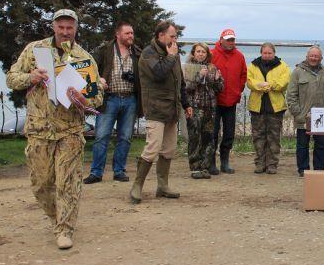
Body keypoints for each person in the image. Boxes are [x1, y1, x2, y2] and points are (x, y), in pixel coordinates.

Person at [6, 9, 103, 249]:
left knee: (67, 182)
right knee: (41, 183)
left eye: (70, 28)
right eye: (61, 27)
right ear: (53, 27)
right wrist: (31, 77)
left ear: (76, 28)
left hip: (70, 130)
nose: (65, 32)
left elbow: (97, 96)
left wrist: (84, 99)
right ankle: (55, 218)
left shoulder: (84, 58)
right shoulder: (34, 50)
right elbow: (12, 78)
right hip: (39, 129)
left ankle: (65, 228)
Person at [130, 21, 193, 203]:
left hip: (172, 109)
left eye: (176, 37)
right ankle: (137, 186)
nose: (175, 40)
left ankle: (162, 186)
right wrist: (172, 57)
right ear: (160, 36)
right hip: (155, 109)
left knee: (168, 150)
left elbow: (179, 81)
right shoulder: (148, 54)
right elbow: (159, 74)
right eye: (172, 36)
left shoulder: (172, 54)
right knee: (152, 148)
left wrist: (186, 103)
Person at [84, 22, 142, 184]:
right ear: (118, 34)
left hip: (130, 98)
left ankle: (119, 170)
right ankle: (96, 172)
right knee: (101, 136)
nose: (131, 36)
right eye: (127, 33)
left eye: (132, 33)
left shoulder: (137, 53)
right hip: (109, 99)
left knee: (125, 137)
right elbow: (89, 67)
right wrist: (98, 79)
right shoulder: (105, 50)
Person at [286, 45, 324, 177]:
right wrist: (297, 113)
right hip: (303, 118)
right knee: (302, 146)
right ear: (307, 57)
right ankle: (303, 170)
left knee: (321, 145)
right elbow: (291, 95)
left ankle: (319, 170)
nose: (314, 58)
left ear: (321, 58)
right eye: (311, 56)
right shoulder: (297, 72)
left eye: (316, 56)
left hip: (322, 118)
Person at [247, 42, 291, 174]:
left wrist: (268, 85)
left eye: (269, 53)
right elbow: (249, 82)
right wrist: (261, 86)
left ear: (274, 53)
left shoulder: (282, 66)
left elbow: (284, 82)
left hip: (275, 107)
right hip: (257, 107)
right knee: (258, 137)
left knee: (274, 137)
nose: (267, 55)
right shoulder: (253, 65)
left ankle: (272, 164)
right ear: (261, 53)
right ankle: (260, 164)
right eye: (264, 53)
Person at [183, 42, 224, 179]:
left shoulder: (212, 68)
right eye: (198, 51)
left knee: (209, 139)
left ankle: (205, 167)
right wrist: (200, 76)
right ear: (194, 53)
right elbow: (186, 88)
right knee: (195, 138)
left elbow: (220, 88)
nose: (201, 54)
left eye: (203, 52)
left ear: (207, 54)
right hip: (194, 109)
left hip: (210, 109)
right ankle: (195, 167)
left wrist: (217, 80)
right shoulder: (188, 68)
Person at [210, 28, 247, 175]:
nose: (231, 42)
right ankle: (211, 162)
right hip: (214, 102)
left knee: (229, 133)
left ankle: (224, 162)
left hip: (231, 101)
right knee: (213, 133)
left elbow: (243, 75)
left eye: (233, 39)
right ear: (221, 39)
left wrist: (238, 91)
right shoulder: (212, 54)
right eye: (228, 39)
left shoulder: (239, 56)